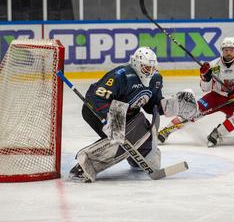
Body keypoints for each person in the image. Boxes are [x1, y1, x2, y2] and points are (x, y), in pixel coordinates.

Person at [69, 47, 197, 182]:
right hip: (97, 111)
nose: (150, 72)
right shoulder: (121, 76)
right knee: (119, 138)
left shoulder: (155, 79)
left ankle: (135, 159)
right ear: (136, 64)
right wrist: (109, 118)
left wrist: (175, 105)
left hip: (128, 114)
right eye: (147, 68)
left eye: (153, 68)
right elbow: (95, 97)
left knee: (151, 155)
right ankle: (83, 167)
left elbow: (151, 105)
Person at [158, 37, 234, 147]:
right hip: (215, 97)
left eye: (231, 50)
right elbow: (205, 88)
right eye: (225, 50)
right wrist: (206, 78)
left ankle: (217, 133)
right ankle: (166, 131)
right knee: (192, 111)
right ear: (222, 50)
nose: (228, 52)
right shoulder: (213, 66)